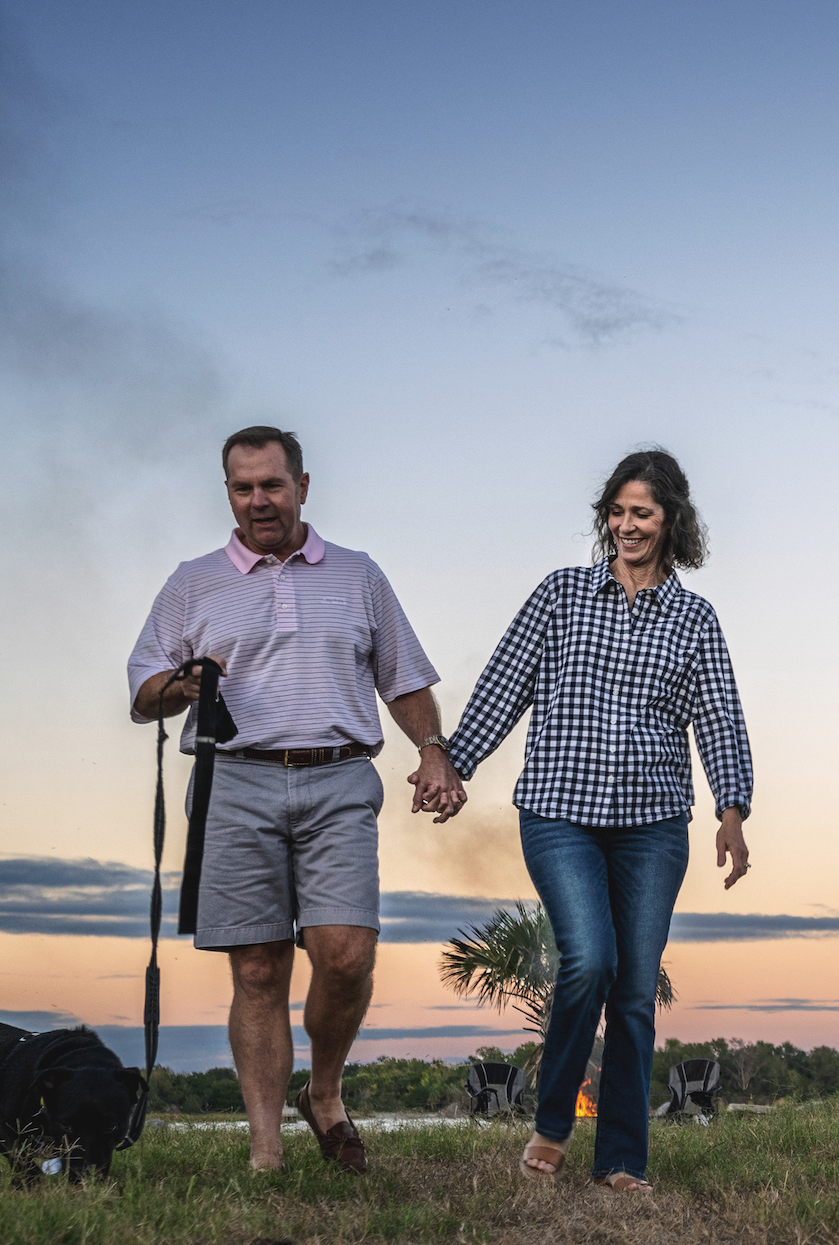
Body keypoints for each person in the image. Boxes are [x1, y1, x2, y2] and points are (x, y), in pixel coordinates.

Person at [126, 426, 463, 1175]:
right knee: (256, 969)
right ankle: (265, 1153)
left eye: (272, 486)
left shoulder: (358, 574)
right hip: (234, 782)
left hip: (339, 777)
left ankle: (325, 1091)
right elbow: (144, 692)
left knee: (346, 954)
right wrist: (178, 685)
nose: (258, 501)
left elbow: (403, 677)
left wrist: (433, 753)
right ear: (227, 494)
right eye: (243, 488)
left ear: (302, 487)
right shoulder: (192, 582)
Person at [438, 447, 754, 1194]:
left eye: (640, 512)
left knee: (636, 991)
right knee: (591, 960)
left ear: (671, 520)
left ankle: (619, 1161)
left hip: (652, 824)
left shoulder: (695, 620)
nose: (625, 526)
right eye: (615, 512)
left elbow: (720, 721)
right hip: (559, 813)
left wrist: (732, 812)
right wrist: (454, 764)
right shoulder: (560, 596)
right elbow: (503, 685)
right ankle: (552, 1121)